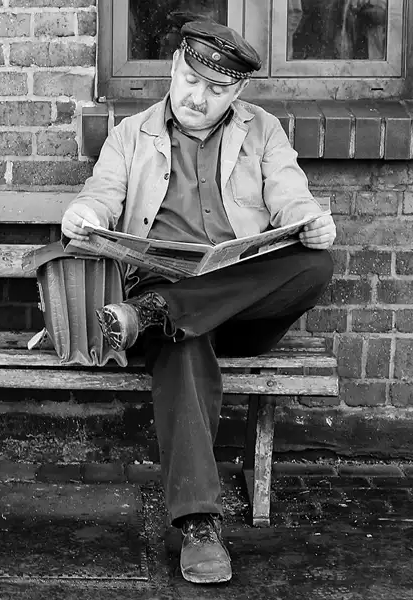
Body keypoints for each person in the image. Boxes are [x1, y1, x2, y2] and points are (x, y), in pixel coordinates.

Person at [61, 21, 336, 585]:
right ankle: (199, 526)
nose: (197, 97)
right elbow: (102, 194)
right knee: (183, 345)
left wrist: (309, 224)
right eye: (190, 80)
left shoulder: (263, 132)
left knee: (314, 266)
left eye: (217, 89)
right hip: (156, 293)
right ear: (173, 68)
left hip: (242, 309)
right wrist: (84, 216)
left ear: (238, 93)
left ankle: (161, 314)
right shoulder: (130, 134)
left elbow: (290, 195)